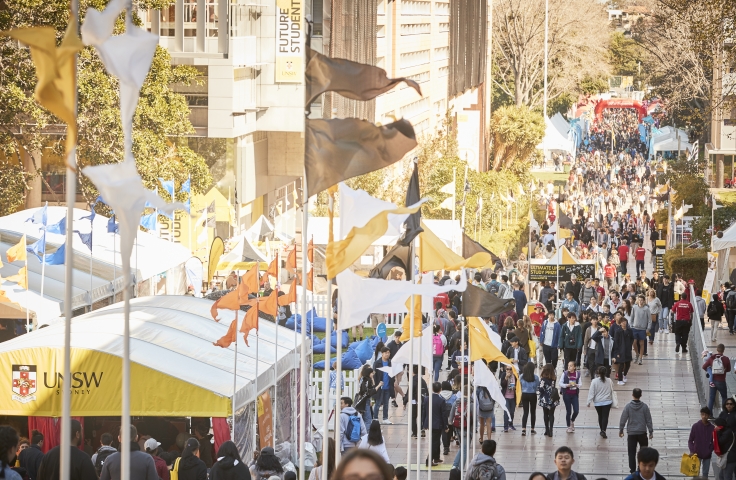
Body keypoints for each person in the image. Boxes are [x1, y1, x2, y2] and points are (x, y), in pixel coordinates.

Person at [619, 388, 654, 474]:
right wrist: (650, 431)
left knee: (631, 453)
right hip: (642, 433)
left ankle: (633, 471)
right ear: (641, 395)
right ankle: (641, 468)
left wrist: (621, 429)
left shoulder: (628, 406)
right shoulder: (645, 407)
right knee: (643, 453)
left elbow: (623, 418)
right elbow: (648, 419)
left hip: (631, 434)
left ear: (632, 395)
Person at [586, 366, 615, 438]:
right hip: (607, 401)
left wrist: (589, 401)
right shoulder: (609, 380)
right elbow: (612, 388)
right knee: (605, 416)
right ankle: (604, 430)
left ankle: (601, 429)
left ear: (598, 372)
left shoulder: (594, 381)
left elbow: (591, 392)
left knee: (600, 416)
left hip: (598, 402)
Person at [424, 383, 448, 466]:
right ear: (440, 389)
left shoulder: (427, 399)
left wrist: (424, 424)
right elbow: (444, 415)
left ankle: (436, 457)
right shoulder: (441, 400)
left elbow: (424, 412)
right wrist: (446, 426)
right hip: (438, 425)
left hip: (430, 423)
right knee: (435, 442)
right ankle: (429, 460)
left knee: (436, 441)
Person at [703, 344, 731, 413]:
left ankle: (709, 414)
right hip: (721, 381)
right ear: (723, 350)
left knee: (712, 398)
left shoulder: (712, 358)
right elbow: (729, 369)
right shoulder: (726, 359)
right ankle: (724, 413)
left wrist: (710, 371)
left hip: (713, 381)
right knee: (724, 397)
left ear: (717, 349)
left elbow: (704, 366)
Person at [688, 407, 714, 479]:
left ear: (708, 416)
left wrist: (710, 450)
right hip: (696, 454)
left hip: (707, 455)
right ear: (700, 415)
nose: (704, 416)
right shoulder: (695, 426)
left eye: (706, 415)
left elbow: (713, 442)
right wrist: (692, 450)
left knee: (705, 474)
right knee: (695, 473)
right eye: (702, 414)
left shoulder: (712, 428)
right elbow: (690, 440)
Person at [372, 348, 394, 424]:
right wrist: (376, 385)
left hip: (388, 386)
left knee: (386, 403)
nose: (387, 354)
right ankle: (375, 418)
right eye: (386, 353)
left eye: (388, 352)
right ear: (382, 353)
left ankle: (385, 418)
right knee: (378, 403)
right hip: (379, 386)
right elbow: (374, 375)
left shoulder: (390, 362)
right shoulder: (377, 363)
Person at [560, 361, 581, 433]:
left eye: (571, 366)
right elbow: (560, 383)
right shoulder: (565, 374)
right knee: (568, 411)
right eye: (568, 365)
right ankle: (568, 426)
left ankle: (572, 420)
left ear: (574, 367)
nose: (569, 367)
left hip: (574, 394)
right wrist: (566, 385)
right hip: (567, 395)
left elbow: (580, 384)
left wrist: (577, 385)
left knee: (576, 410)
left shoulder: (577, 374)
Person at [537, 364, 559, 438]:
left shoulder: (543, 379)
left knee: (545, 414)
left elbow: (540, 389)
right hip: (553, 398)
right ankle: (551, 430)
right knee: (552, 414)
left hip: (545, 399)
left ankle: (547, 429)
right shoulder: (554, 378)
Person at [630, 295, 651, 365]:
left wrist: (648, 328)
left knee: (641, 343)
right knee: (634, 342)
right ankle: (637, 354)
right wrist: (631, 326)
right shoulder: (634, 307)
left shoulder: (646, 309)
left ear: (644, 301)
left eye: (642, 300)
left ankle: (641, 358)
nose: (640, 301)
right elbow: (632, 317)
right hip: (635, 328)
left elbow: (649, 320)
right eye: (639, 300)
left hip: (643, 329)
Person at [520, 362, 540, 436]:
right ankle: (532, 429)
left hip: (524, 394)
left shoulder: (522, 376)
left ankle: (523, 429)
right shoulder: (535, 377)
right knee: (533, 412)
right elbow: (538, 385)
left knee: (525, 412)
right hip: (532, 394)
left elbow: (519, 384)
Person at [613, 318, 633, 385]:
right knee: (621, 365)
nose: (624, 323)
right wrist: (617, 352)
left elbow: (632, 338)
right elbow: (616, 342)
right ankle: (620, 379)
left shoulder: (629, 330)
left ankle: (624, 374)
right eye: (622, 322)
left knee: (628, 364)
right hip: (621, 350)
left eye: (625, 322)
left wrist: (630, 345)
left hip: (627, 349)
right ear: (620, 323)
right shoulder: (618, 331)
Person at [500, 365, 517, 432]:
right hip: (506, 396)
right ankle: (505, 426)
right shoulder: (504, 375)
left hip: (513, 396)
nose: (509, 370)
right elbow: (502, 385)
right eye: (507, 369)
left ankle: (511, 424)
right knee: (506, 412)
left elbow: (518, 385)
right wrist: (506, 378)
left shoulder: (514, 376)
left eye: (510, 369)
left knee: (512, 412)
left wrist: (515, 387)